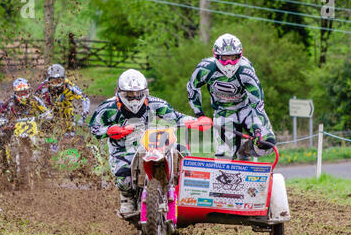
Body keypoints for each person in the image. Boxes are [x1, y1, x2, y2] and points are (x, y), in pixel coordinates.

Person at [89, 69, 196, 215]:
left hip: (151, 143)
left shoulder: (155, 103)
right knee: (124, 179)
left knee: (182, 151)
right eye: (129, 95)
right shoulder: (108, 108)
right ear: (119, 93)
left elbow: (175, 117)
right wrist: (109, 130)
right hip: (122, 147)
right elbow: (94, 127)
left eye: (138, 94)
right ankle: (127, 198)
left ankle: (188, 191)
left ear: (145, 92)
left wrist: (194, 121)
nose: (134, 98)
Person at [187, 33, 276, 160]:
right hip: (223, 113)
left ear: (240, 55)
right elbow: (192, 87)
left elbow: (257, 103)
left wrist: (258, 128)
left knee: (268, 143)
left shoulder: (246, 71)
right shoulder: (205, 69)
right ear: (216, 55)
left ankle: (245, 149)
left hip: (247, 110)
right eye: (225, 58)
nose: (229, 63)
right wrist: (199, 114)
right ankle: (228, 169)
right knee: (224, 156)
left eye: (233, 57)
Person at [0, 78, 52, 175]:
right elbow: (1, 114)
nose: (23, 95)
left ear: (29, 90)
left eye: (25, 92)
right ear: (15, 92)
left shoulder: (35, 100)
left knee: (46, 140)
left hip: (33, 127)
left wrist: (46, 116)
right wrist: (1, 121)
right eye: (20, 93)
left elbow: (46, 111)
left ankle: (45, 165)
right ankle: (2, 165)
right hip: (15, 128)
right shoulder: (10, 102)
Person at [35, 64, 90, 135]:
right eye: (53, 81)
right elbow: (34, 99)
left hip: (66, 109)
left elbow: (85, 99)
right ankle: (49, 143)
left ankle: (68, 139)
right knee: (45, 131)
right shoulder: (43, 86)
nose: (55, 83)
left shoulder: (69, 86)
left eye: (58, 80)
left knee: (69, 134)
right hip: (50, 109)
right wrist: (43, 111)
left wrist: (83, 117)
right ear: (48, 79)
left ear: (63, 79)